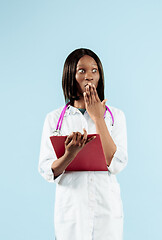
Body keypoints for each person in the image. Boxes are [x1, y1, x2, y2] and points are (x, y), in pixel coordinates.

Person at [38, 48, 128, 239]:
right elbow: (47, 170)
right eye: (82, 71)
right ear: (71, 75)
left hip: (106, 209)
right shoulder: (54, 119)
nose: (89, 77)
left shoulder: (115, 116)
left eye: (94, 71)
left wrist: (98, 118)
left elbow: (117, 163)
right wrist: (69, 154)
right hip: (71, 210)